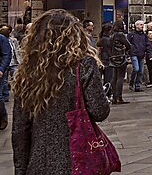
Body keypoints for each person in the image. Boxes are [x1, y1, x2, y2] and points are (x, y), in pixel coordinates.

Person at [11, 10, 110, 175]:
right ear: (75, 35)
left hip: (39, 162)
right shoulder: (83, 64)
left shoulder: (28, 70)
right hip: (77, 158)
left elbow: (20, 128)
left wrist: (20, 168)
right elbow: (99, 112)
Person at [107, 21, 130, 104]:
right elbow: (128, 45)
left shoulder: (111, 34)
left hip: (113, 57)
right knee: (120, 77)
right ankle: (119, 97)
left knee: (114, 77)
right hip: (120, 57)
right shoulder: (120, 34)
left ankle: (114, 97)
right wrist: (124, 49)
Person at [127, 20, 149, 92]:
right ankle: (132, 82)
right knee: (136, 69)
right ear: (136, 25)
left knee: (141, 71)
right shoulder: (131, 34)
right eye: (140, 25)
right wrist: (128, 53)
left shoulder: (144, 35)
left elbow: (147, 44)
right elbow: (128, 44)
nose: (142, 26)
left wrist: (148, 53)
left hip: (141, 54)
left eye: (142, 25)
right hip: (134, 53)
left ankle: (137, 85)